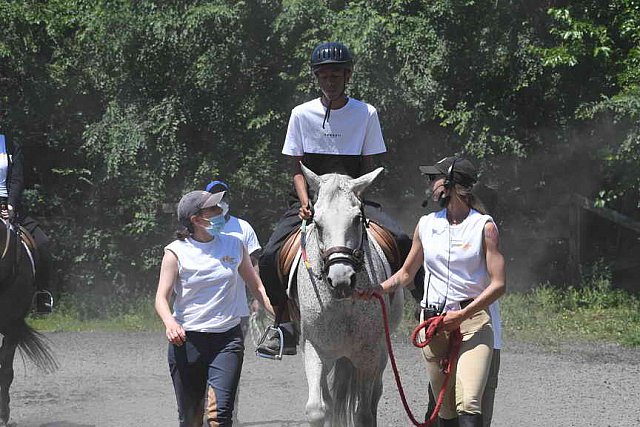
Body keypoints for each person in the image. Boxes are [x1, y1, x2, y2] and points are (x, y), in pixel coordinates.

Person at [256, 41, 413, 357]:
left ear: (347, 76)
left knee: (402, 238)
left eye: (335, 76)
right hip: (311, 199)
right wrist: (306, 201)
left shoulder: (366, 113)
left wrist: (355, 198)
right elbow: (296, 166)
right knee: (271, 254)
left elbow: (369, 164)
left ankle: (424, 306)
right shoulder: (301, 114)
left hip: (353, 197)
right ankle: (283, 325)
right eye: (324, 76)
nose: (329, 82)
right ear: (317, 78)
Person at [358, 156, 506, 427]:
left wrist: (462, 315)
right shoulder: (426, 225)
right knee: (445, 412)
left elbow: (499, 284)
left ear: (449, 184)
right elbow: (405, 274)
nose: (429, 185)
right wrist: (375, 290)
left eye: (433, 179)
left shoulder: (484, 227)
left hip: (472, 322)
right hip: (433, 323)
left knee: (470, 405)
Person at [155, 190, 274, 426]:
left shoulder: (235, 245)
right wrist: (170, 323)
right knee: (190, 419)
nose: (222, 212)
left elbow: (257, 287)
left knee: (220, 415)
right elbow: (161, 297)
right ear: (196, 219)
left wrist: (280, 315)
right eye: (214, 209)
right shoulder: (175, 252)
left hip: (227, 340)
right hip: (187, 342)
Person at [204, 179, 262, 425]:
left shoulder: (243, 227)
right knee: (200, 366)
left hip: (236, 310)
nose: (220, 201)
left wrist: (258, 298)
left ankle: (229, 412)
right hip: (204, 310)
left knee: (230, 365)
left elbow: (255, 263)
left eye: (222, 196)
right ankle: (203, 413)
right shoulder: (198, 227)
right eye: (214, 197)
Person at [0, 133, 53, 314]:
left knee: (43, 242)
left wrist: (11, 205)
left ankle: (42, 294)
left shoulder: (10, 144)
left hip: (11, 206)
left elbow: (17, 179)